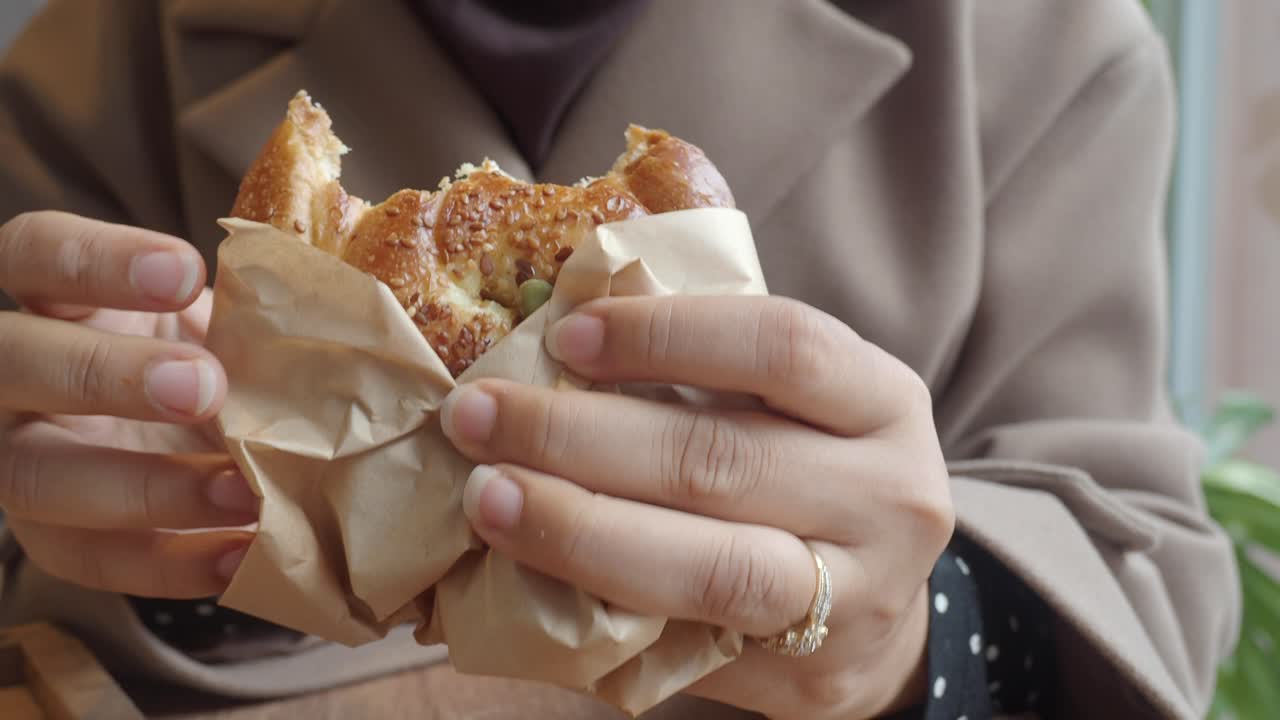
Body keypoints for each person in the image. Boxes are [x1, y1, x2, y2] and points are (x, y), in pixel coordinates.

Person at [0, 1, 1240, 718]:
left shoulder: (1041, 47)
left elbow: (1134, 594)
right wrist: (172, 546)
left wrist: (904, 639)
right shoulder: (93, 63)